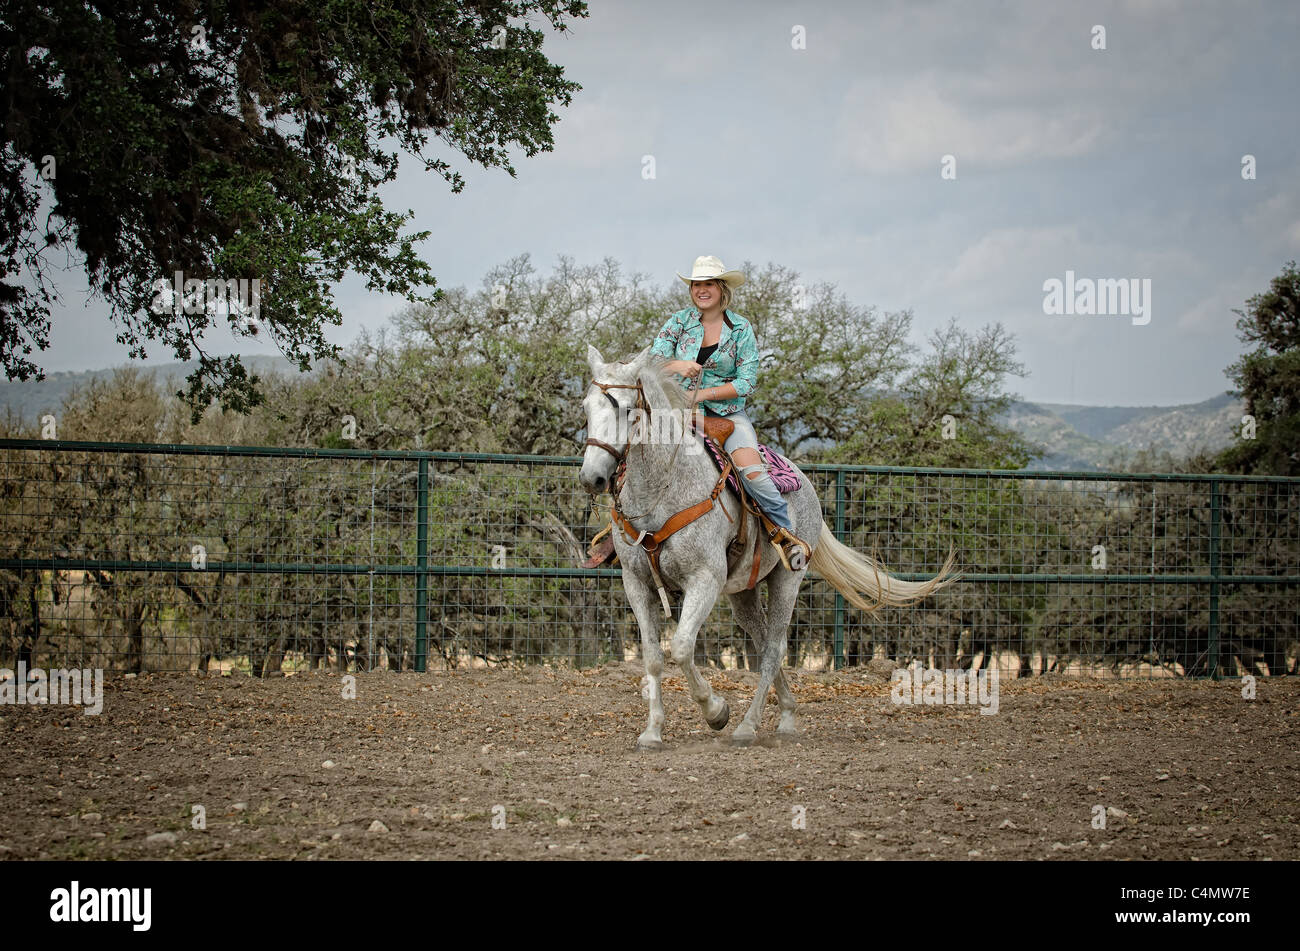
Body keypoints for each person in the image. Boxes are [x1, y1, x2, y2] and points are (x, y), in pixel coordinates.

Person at [651, 255, 811, 569]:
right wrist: (678, 365)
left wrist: (702, 393)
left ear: (722, 289)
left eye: (708, 283)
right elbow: (652, 361)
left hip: (727, 417)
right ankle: (625, 534)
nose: (701, 289)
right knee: (637, 456)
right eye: (697, 284)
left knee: (753, 473)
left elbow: (747, 381)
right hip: (678, 414)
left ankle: (786, 535)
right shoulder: (678, 322)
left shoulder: (740, 329)